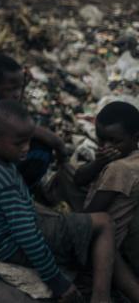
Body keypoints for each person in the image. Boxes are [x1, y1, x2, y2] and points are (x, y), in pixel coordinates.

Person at [0, 101, 118, 303]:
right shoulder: (6, 185)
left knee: (68, 216)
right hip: (11, 245)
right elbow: (29, 237)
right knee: (104, 222)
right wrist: (56, 280)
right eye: (19, 143)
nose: (26, 149)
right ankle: (101, 298)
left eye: (28, 141)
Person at [63, 101, 139, 292]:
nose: (106, 146)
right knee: (65, 173)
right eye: (101, 139)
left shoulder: (119, 169)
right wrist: (98, 163)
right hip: (114, 230)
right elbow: (79, 179)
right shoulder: (130, 158)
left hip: (105, 240)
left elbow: (90, 216)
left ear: (135, 137)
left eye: (114, 141)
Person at [0, 53, 67, 189]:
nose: (17, 93)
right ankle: (21, 190)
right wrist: (60, 149)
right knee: (42, 151)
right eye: (10, 89)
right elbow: (48, 138)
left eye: (20, 87)